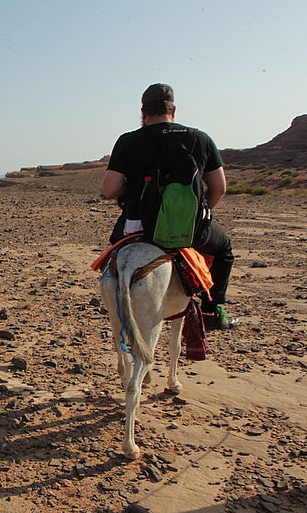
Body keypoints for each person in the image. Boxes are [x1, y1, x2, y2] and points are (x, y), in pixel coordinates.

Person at [101, 83, 238, 330]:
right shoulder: (200, 138)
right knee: (224, 250)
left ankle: (116, 298)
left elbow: (110, 189)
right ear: (173, 110)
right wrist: (200, 212)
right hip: (190, 229)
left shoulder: (128, 141)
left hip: (137, 225)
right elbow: (219, 188)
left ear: (143, 113)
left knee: (115, 252)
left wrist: (130, 191)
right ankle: (212, 311)